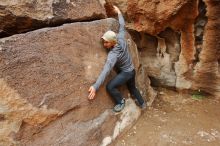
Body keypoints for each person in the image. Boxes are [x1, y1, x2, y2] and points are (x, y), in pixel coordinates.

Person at [88, 6, 146, 112]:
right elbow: (122, 26)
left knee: (110, 87)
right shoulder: (120, 37)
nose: (104, 44)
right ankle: (142, 103)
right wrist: (119, 12)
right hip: (131, 70)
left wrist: (95, 86)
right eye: (104, 41)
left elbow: (106, 70)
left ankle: (121, 101)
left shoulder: (113, 54)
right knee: (132, 87)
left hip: (126, 73)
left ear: (112, 42)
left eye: (106, 42)